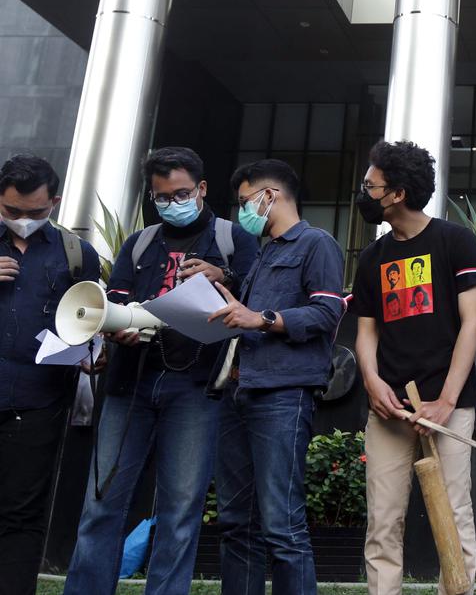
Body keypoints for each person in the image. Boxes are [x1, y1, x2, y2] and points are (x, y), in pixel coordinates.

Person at [63, 147, 257, 595]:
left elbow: (257, 298)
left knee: (181, 510)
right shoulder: (141, 242)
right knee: (101, 503)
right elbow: (112, 301)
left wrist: (224, 276)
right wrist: (119, 327)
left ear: (202, 189)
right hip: (132, 382)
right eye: (162, 196)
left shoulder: (233, 240)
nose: (173, 202)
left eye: (182, 193)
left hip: (197, 387)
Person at [350, 141, 476, 595]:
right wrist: (372, 382)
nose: (365, 193)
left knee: (454, 515)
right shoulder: (372, 258)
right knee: (383, 520)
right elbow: (366, 330)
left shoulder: (456, 240)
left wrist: (447, 400)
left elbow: (472, 322)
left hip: (448, 407)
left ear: (398, 193)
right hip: (389, 412)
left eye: (372, 186)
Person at [208, 159, 345, 595]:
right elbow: (246, 319)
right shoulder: (265, 252)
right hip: (239, 391)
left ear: (272, 195)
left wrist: (261, 317)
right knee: (235, 522)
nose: (242, 211)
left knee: (283, 527)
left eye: (246, 201)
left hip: (283, 396)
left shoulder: (316, 244)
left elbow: (328, 311)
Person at [0, 154, 101, 595]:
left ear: (55, 203)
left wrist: (90, 353)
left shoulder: (78, 255)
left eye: (36, 212)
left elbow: (92, 325)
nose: (23, 220)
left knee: (22, 515)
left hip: (39, 403)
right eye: (11, 212)